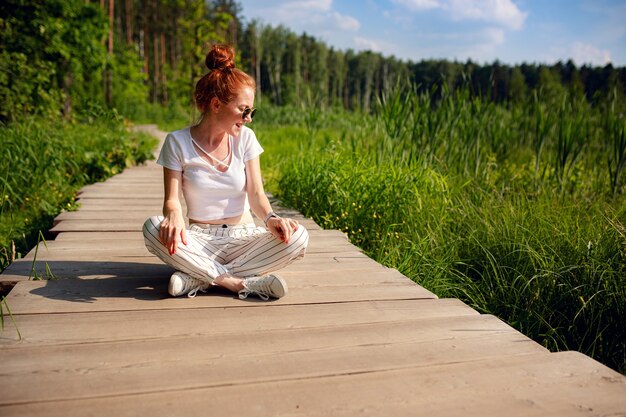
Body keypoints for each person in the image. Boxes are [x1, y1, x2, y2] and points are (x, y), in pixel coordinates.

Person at [143, 44, 308, 300]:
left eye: (251, 111)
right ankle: (238, 284)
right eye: (244, 110)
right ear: (216, 104)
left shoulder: (246, 139)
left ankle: (197, 277)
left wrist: (272, 218)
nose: (249, 117)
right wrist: (173, 217)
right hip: (198, 239)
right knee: (153, 227)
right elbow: (171, 200)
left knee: (298, 236)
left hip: (244, 238)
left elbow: (256, 195)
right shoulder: (177, 142)